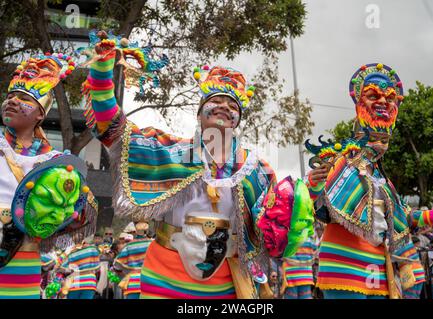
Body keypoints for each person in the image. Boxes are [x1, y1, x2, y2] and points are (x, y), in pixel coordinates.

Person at [79, 30, 311, 299]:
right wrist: (101, 75)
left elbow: (277, 226)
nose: (224, 106)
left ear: (237, 119)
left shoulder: (257, 170)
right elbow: (112, 129)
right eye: (216, 101)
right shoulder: (171, 151)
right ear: (200, 112)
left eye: (232, 104)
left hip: (225, 283)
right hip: (164, 276)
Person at [303, 63, 433, 299]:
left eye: (385, 139)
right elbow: (311, 202)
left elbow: (406, 217)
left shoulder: (383, 180)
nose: (381, 144)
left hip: (379, 271)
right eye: (373, 96)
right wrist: (312, 184)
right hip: (343, 268)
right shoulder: (341, 163)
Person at [0, 54, 97, 299]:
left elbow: (79, 213)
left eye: (23, 99)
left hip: (22, 263)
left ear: (40, 115)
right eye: (10, 96)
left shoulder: (56, 163)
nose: (12, 101)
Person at [113, 221, 152, 299]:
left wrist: (122, 273)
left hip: (133, 283)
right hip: (150, 283)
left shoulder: (129, 245)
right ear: (146, 230)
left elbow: (117, 266)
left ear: (136, 231)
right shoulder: (152, 244)